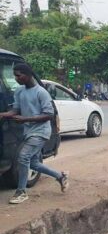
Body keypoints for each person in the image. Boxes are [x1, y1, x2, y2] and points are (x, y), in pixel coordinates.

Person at [0, 63, 69, 204]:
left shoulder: (41, 92)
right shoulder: (19, 91)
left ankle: (21, 192)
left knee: (23, 156)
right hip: (28, 131)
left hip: (41, 132)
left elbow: (49, 115)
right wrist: (4, 114)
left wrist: (26, 119)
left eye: (19, 75)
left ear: (28, 75)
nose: (16, 78)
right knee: (34, 163)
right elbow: (16, 110)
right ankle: (60, 176)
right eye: (15, 76)